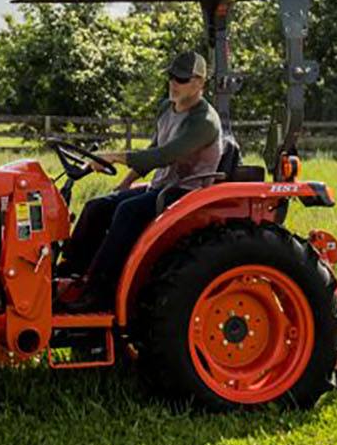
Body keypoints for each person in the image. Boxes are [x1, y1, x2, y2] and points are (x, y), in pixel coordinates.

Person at [57, 49, 224, 306]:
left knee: (128, 211)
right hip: (162, 187)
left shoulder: (204, 121)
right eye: (171, 77)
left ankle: (99, 293)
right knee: (98, 206)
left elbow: (165, 155)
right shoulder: (167, 109)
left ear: (200, 82)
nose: (173, 84)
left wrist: (113, 155)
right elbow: (151, 151)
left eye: (181, 79)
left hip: (185, 193)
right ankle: (68, 275)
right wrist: (124, 183)